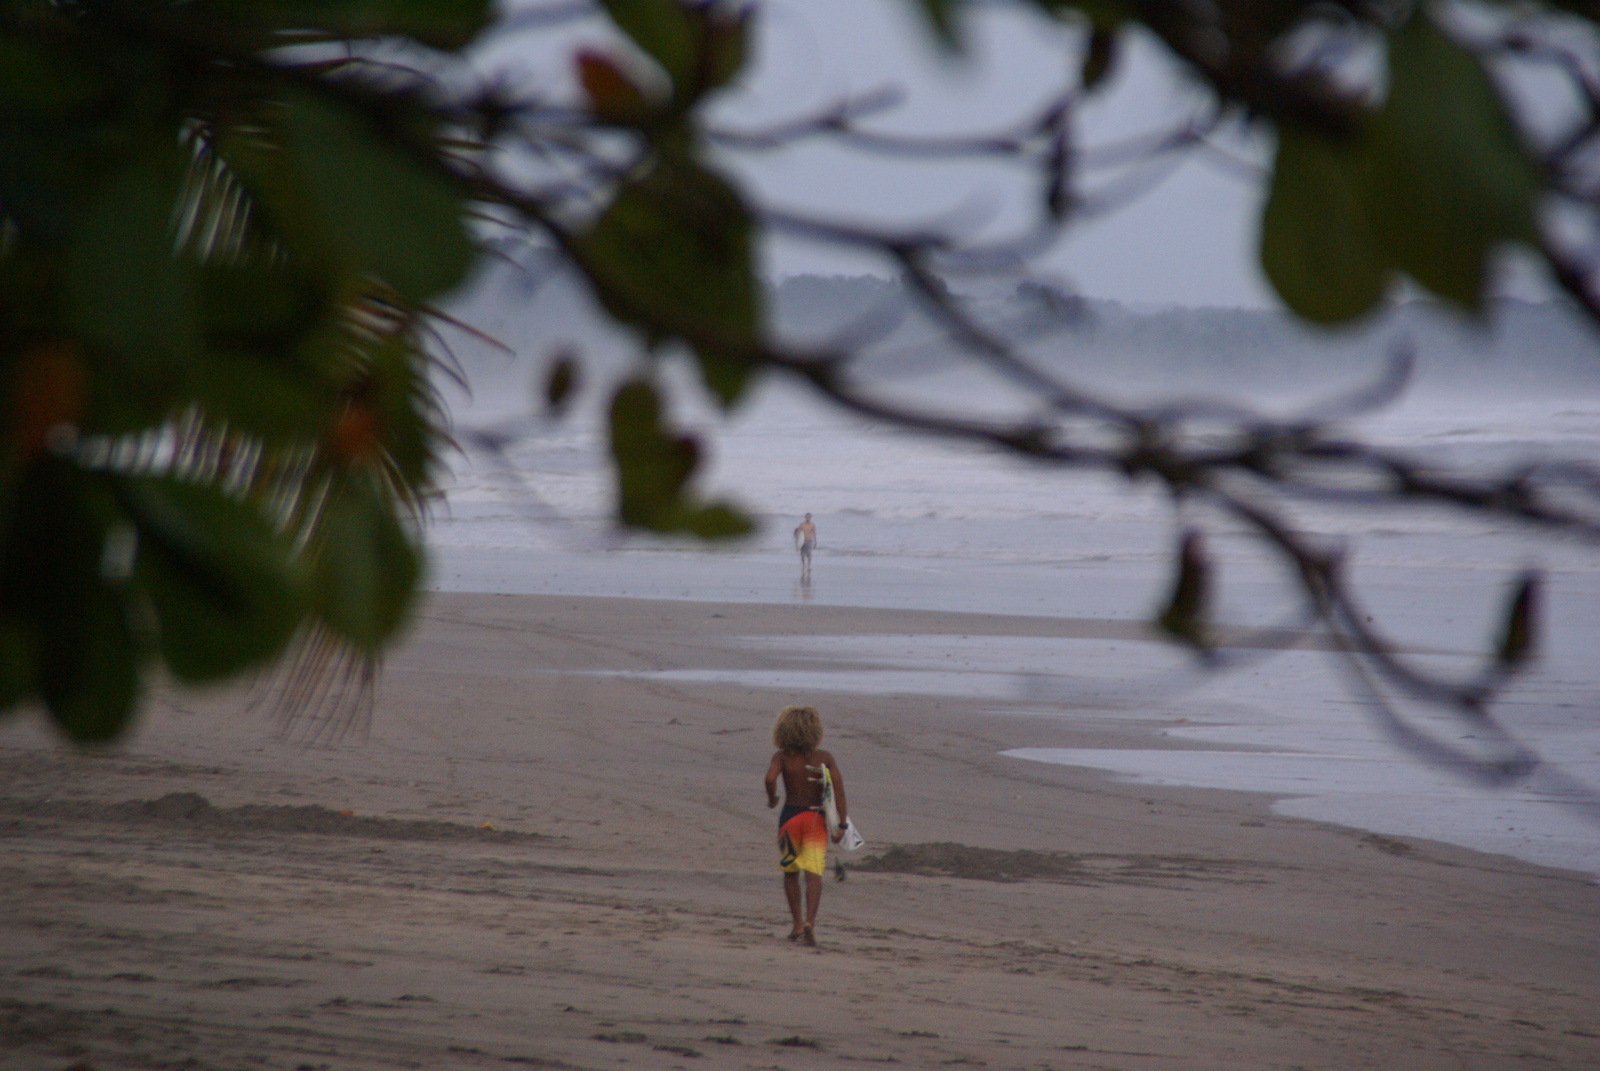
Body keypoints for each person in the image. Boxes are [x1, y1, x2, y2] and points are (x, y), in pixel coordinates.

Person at [764, 704, 847, 947]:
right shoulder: (825, 758)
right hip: (814, 820)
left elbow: (770, 778)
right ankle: (810, 921)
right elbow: (839, 792)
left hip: (790, 818)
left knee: (790, 872)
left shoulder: (781, 757)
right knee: (813, 874)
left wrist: (772, 798)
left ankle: (797, 923)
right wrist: (841, 824)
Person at [793, 513, 816, 579]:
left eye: (809, 517)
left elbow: (814, 533)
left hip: (809, 540)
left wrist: (815, 541)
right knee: (802, 554)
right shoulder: (802, 524)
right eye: (807, 517)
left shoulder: (812, 525)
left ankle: (808, 566)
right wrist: (796, 540)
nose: (808, 518)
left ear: (810, 517)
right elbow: (798, 532)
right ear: (805, 517)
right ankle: (803, 566)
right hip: (802, 540)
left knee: (809, 554)